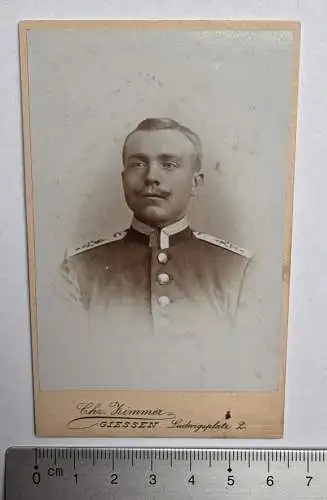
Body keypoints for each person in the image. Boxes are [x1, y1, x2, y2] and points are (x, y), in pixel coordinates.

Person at [61, 118, 251, 335]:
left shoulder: (238, 270)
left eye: (169, 164)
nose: (151, 176)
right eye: (138, 164)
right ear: (124, 179)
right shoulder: (78, 270)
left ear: (195, 182)